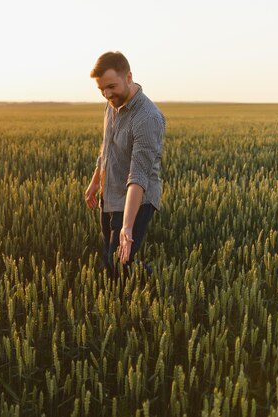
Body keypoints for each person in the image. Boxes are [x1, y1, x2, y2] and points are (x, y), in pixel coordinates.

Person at [84, 51, 165, 279]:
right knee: (111, 258)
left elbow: (138, 176)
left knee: (121, 260)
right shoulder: (112, 104)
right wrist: (95, 182)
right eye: (101, 89)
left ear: (128, 77)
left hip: (135, 200)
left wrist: (127, 227)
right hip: (109, 195)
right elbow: (106, 148)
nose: (107, 94)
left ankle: (155, 290)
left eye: (111, 86)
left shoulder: (147, 117)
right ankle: (124, 297)